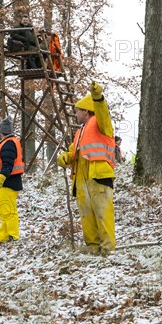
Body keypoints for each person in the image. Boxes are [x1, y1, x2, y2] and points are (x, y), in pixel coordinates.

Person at [57, 81, 116, 253]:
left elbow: (103, 111)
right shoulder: (80, 132)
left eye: (77, 111)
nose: (75, 114)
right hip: (82, 179)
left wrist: (98, 97)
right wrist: (65, 158)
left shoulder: (100, 122)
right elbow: (73, 154)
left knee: (102, 214)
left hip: (98, 174)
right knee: (87, 216)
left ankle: (108, 251)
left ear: (85, 111)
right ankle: (94, 249)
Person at [0, 116, 24, 243]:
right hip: (9, 182)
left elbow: (7, 164)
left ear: (1, 131)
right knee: (5, 210)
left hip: (8, 182)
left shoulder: (8, 144)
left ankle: (12, 236)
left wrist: (1, 178)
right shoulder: (10, 142)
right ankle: (3, 237)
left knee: (8, 209)